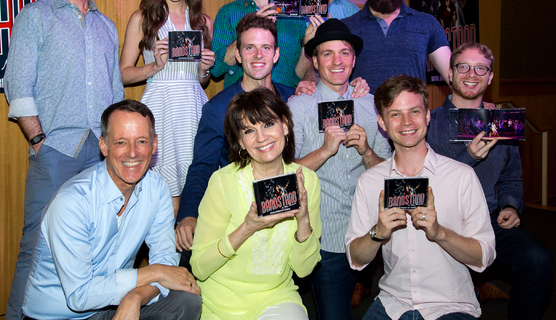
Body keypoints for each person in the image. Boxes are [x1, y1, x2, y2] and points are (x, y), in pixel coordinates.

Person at [3, 0, 124, 320]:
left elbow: (116, 91)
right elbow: (17, 86)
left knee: (97, 244)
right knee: (37, 246)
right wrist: (38, 140)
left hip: (102, 154)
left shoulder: (107, 27)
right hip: (55, 151)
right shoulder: (34, 17)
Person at [22, 100, 202, 320]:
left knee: (186, 300)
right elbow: (80, 296)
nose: (133, 153)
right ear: (104, 146)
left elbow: (166, 263)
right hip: (59, 315)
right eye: (121, 142)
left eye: (142, 141)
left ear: (154, 145)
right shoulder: (71, 202)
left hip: (115, 305)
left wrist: (135, 296)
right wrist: (154, 272)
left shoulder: (156, 188)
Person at [346, 75, 496, 320]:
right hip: (393, 303)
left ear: (427, 116)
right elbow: (355, 257)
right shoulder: (371, 181)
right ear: (382, 122)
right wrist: (378, 233)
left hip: (451, 305)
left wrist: (440, 233)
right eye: (395, 114)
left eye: (414, 111)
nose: (406, 122)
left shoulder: (461, 176)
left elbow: (484, 255)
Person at [426, 42, 553, 320]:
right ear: (450, 73)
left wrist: (510, 205)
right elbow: (425, 184)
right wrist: (467, 156)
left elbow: (511, 177)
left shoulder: (502, 123)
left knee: (538, 260)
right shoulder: (427, 123)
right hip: (438, 224)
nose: (472, 74)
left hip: (488, 220)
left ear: (490, 77)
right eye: (463, 67)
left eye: (480, 68)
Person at [288, 19, 391, 320]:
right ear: (315, 61)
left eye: (344, 53)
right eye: (327, 54)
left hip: (370, 230)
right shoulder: (299, 106)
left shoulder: (372, 106)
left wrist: (367, 151)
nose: (337, 61)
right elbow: (283, 175)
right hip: (326, 237)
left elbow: (389, 173)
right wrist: (324, 151)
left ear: (354, 59)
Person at [191, 89, 321, 319]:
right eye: (249, 130)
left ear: (285, 126)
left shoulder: (307, 180)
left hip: (276, 297)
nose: (262, 138)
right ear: (241, 142)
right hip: (221, 304)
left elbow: (304, 270)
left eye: (269, 124)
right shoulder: (223, 182)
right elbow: (199, 267)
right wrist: (246, 229)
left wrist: (303, 220)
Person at [175, 13, 295, 253]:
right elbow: (201, 167)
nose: (258, 55)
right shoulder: (218, 109)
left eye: (265, 47)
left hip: (288, 213)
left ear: (276, 54)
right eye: (250, 48)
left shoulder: (295, 99)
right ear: (238, 55)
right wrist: (187, 215)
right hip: (237, 219)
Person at [119, 0, 215, 217]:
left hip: (194, 109)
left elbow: (201, 81)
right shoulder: (142, 18)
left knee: (196, 193)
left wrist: (205, 70)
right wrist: (154, 66)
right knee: (165, 199)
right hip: (161, 108)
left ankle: (188, 258)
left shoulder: (203, 22)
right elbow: (123, 73)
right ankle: (164, 256)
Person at [341, 0, 452, 92]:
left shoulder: (427, 24)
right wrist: (347, 88)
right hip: (364, 114)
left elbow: (454, 77)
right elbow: (330, 80)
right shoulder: (346, 27)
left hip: (411, 114)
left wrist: (477, 105)